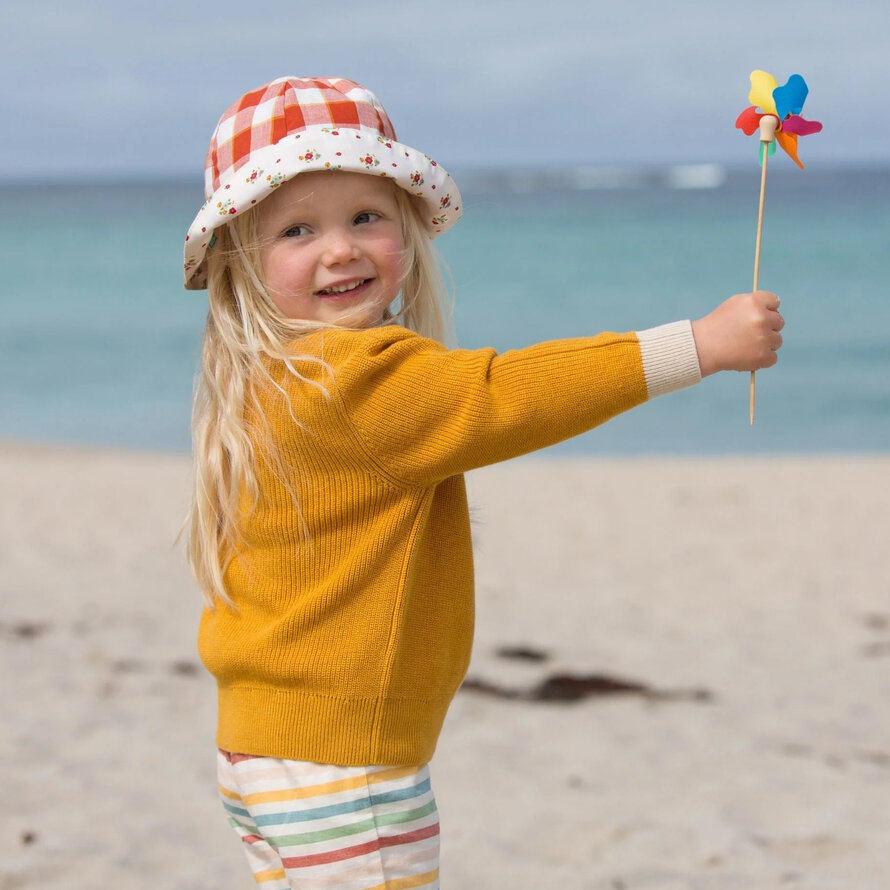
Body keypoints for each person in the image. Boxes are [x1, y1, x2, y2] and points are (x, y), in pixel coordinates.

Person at [183, 76, 783, 889]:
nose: (341, 248)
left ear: (406, 226)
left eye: (366, 215)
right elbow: (507, 395)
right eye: (297, 229)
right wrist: (698, 346)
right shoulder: (349, 380)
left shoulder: (271, 376)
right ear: (240, 264)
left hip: (265, 746)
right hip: (343, 763)